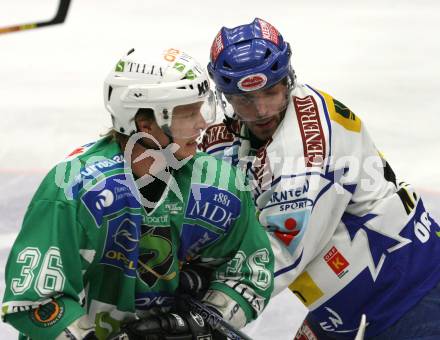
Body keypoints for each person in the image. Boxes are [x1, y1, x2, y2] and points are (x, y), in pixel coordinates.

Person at [1, 47, 274, 340]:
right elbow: (34, 300)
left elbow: (250, 271)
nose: (202, 124)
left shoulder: (219, 185)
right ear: (145, 125)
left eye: (201, 109)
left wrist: (204, 320)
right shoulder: (72, 191)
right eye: (187, 114)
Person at [200, 18, 440, 339]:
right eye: (244, 100)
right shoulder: (229, 128)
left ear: (288, 79)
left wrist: (207, 309)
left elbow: (281, 256)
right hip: (346, 298)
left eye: (270, 92)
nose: (260, 111)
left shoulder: (305, 148)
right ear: (226, 97)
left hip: (408, 290)